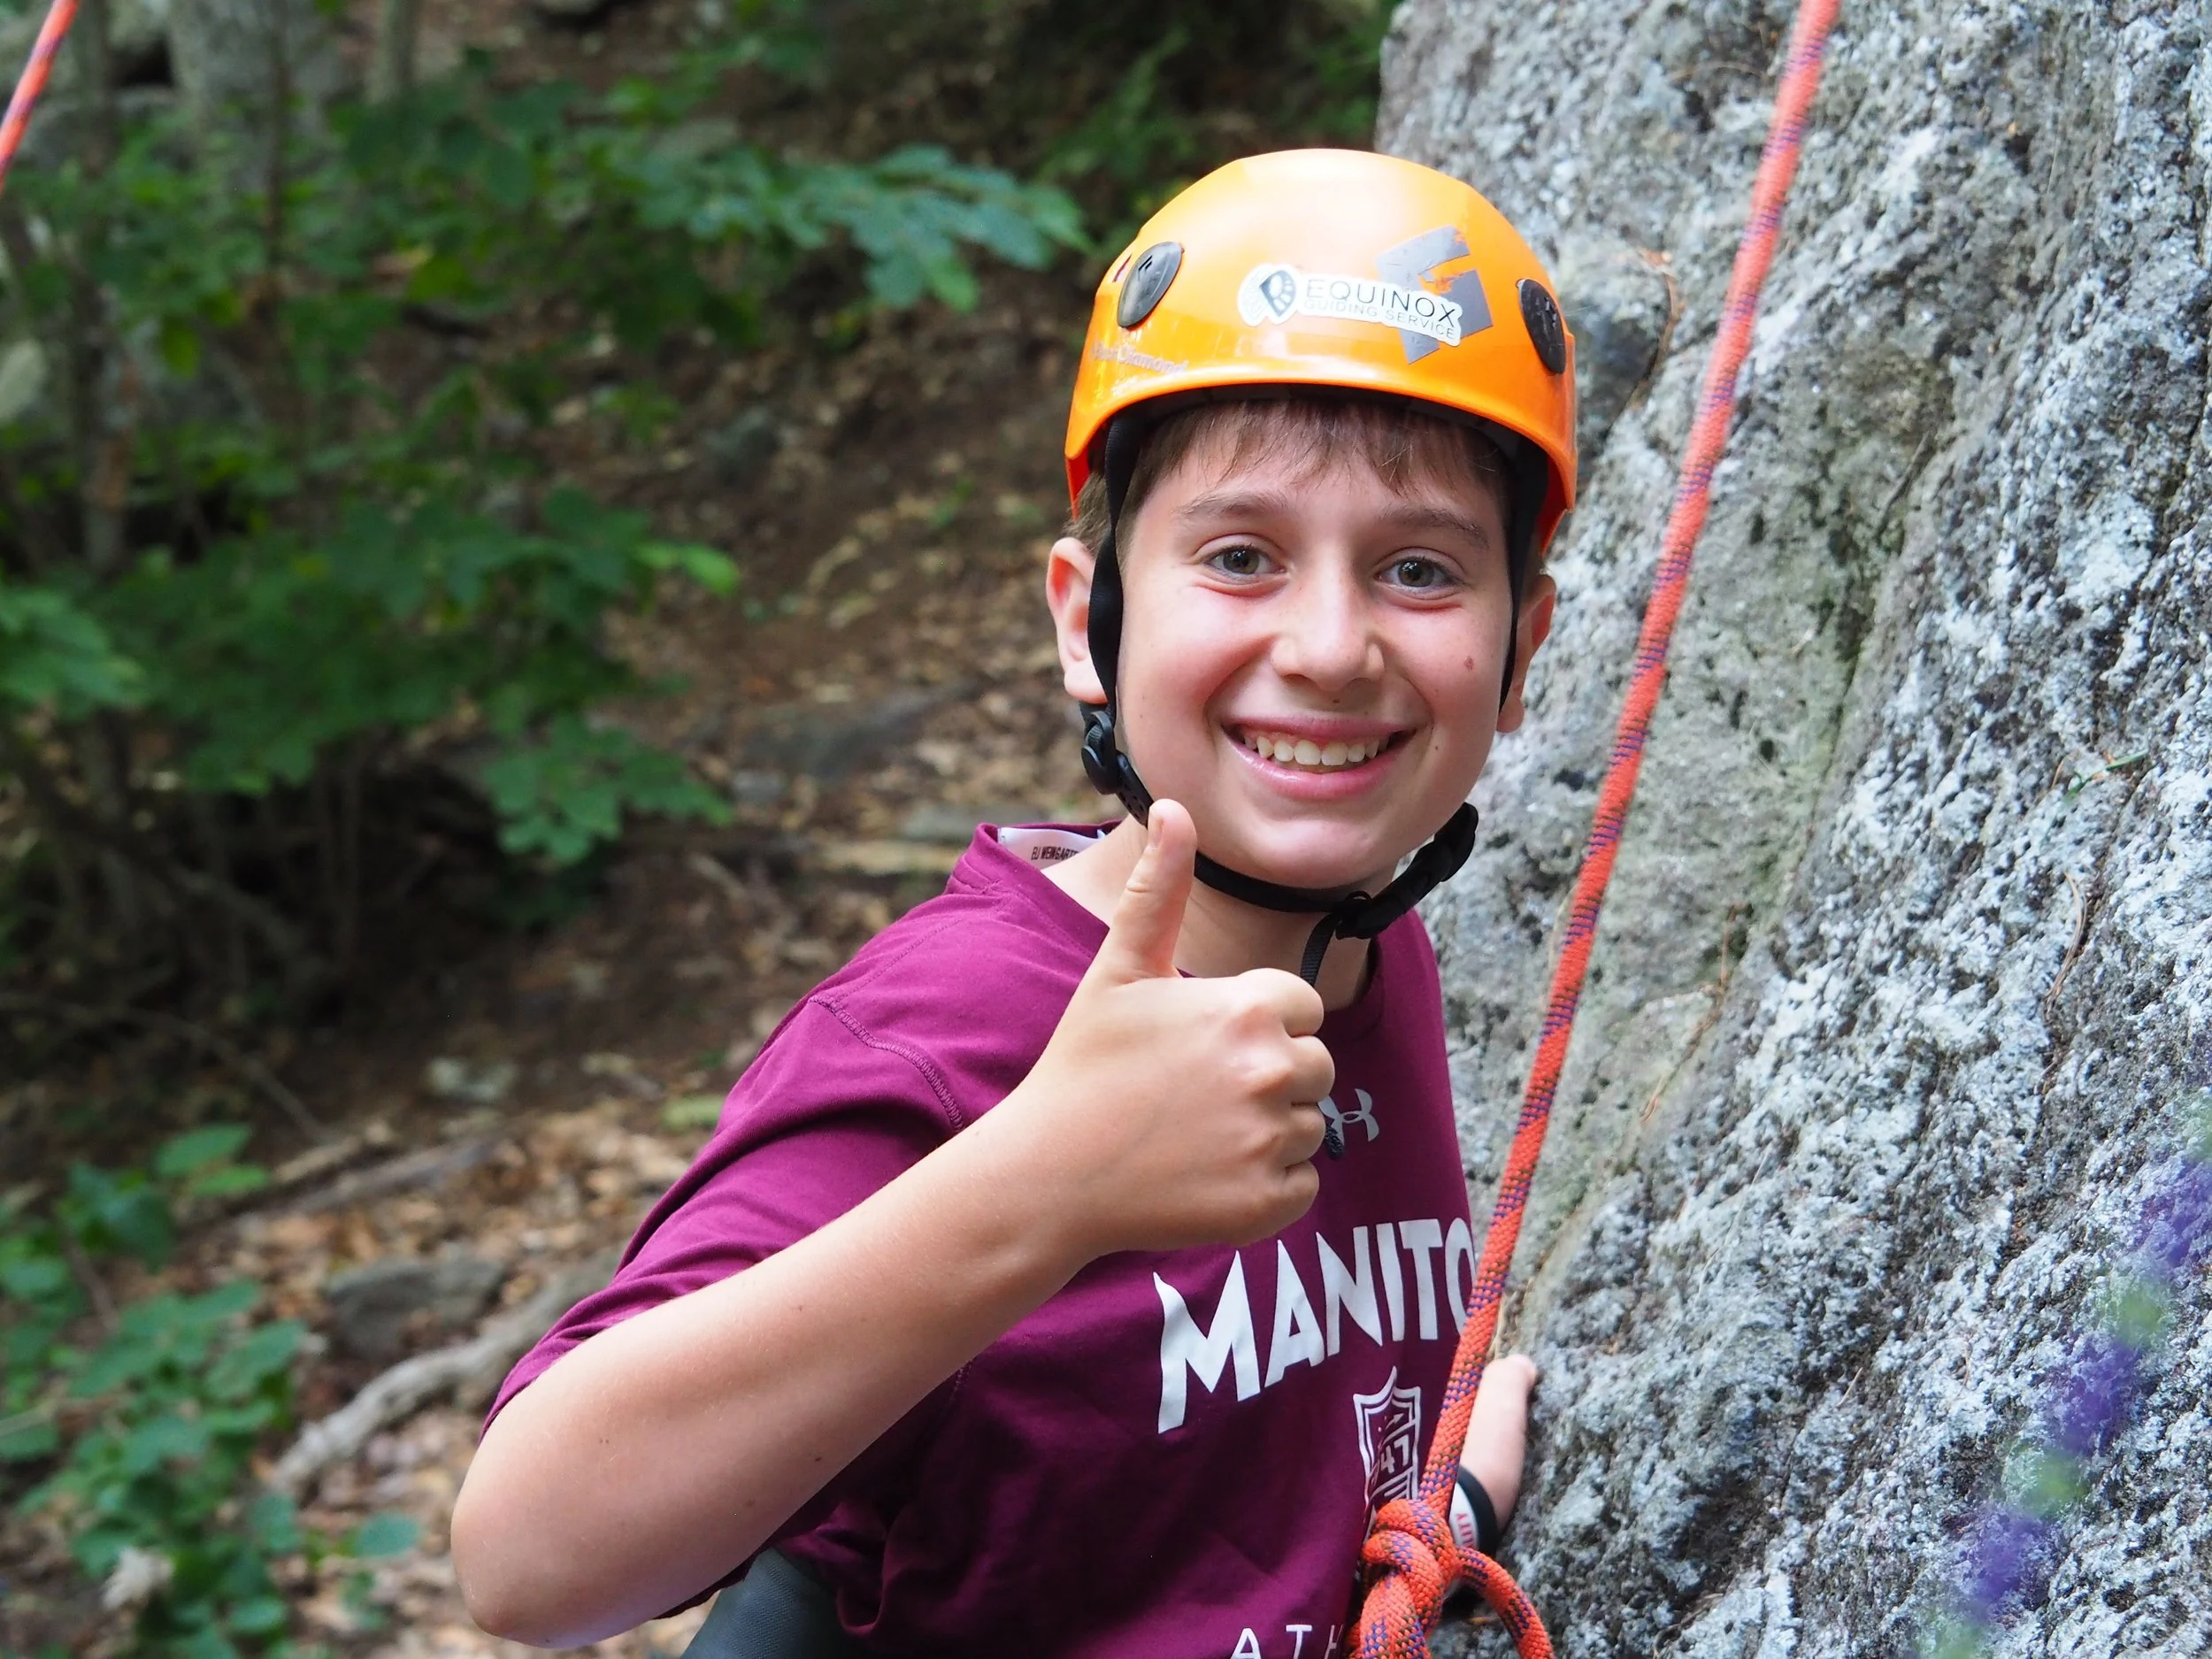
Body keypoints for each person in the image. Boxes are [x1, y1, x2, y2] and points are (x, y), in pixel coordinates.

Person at [450, 148, 1575, 1659]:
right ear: (1086, 618)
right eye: (1239, 556)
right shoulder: (952, 1033)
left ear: (1522, 650)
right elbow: (527, 1555)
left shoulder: (1373, 953)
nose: (1328, 643)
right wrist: (1043, 1181)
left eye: (1421, 571)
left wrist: (1442, 1492)